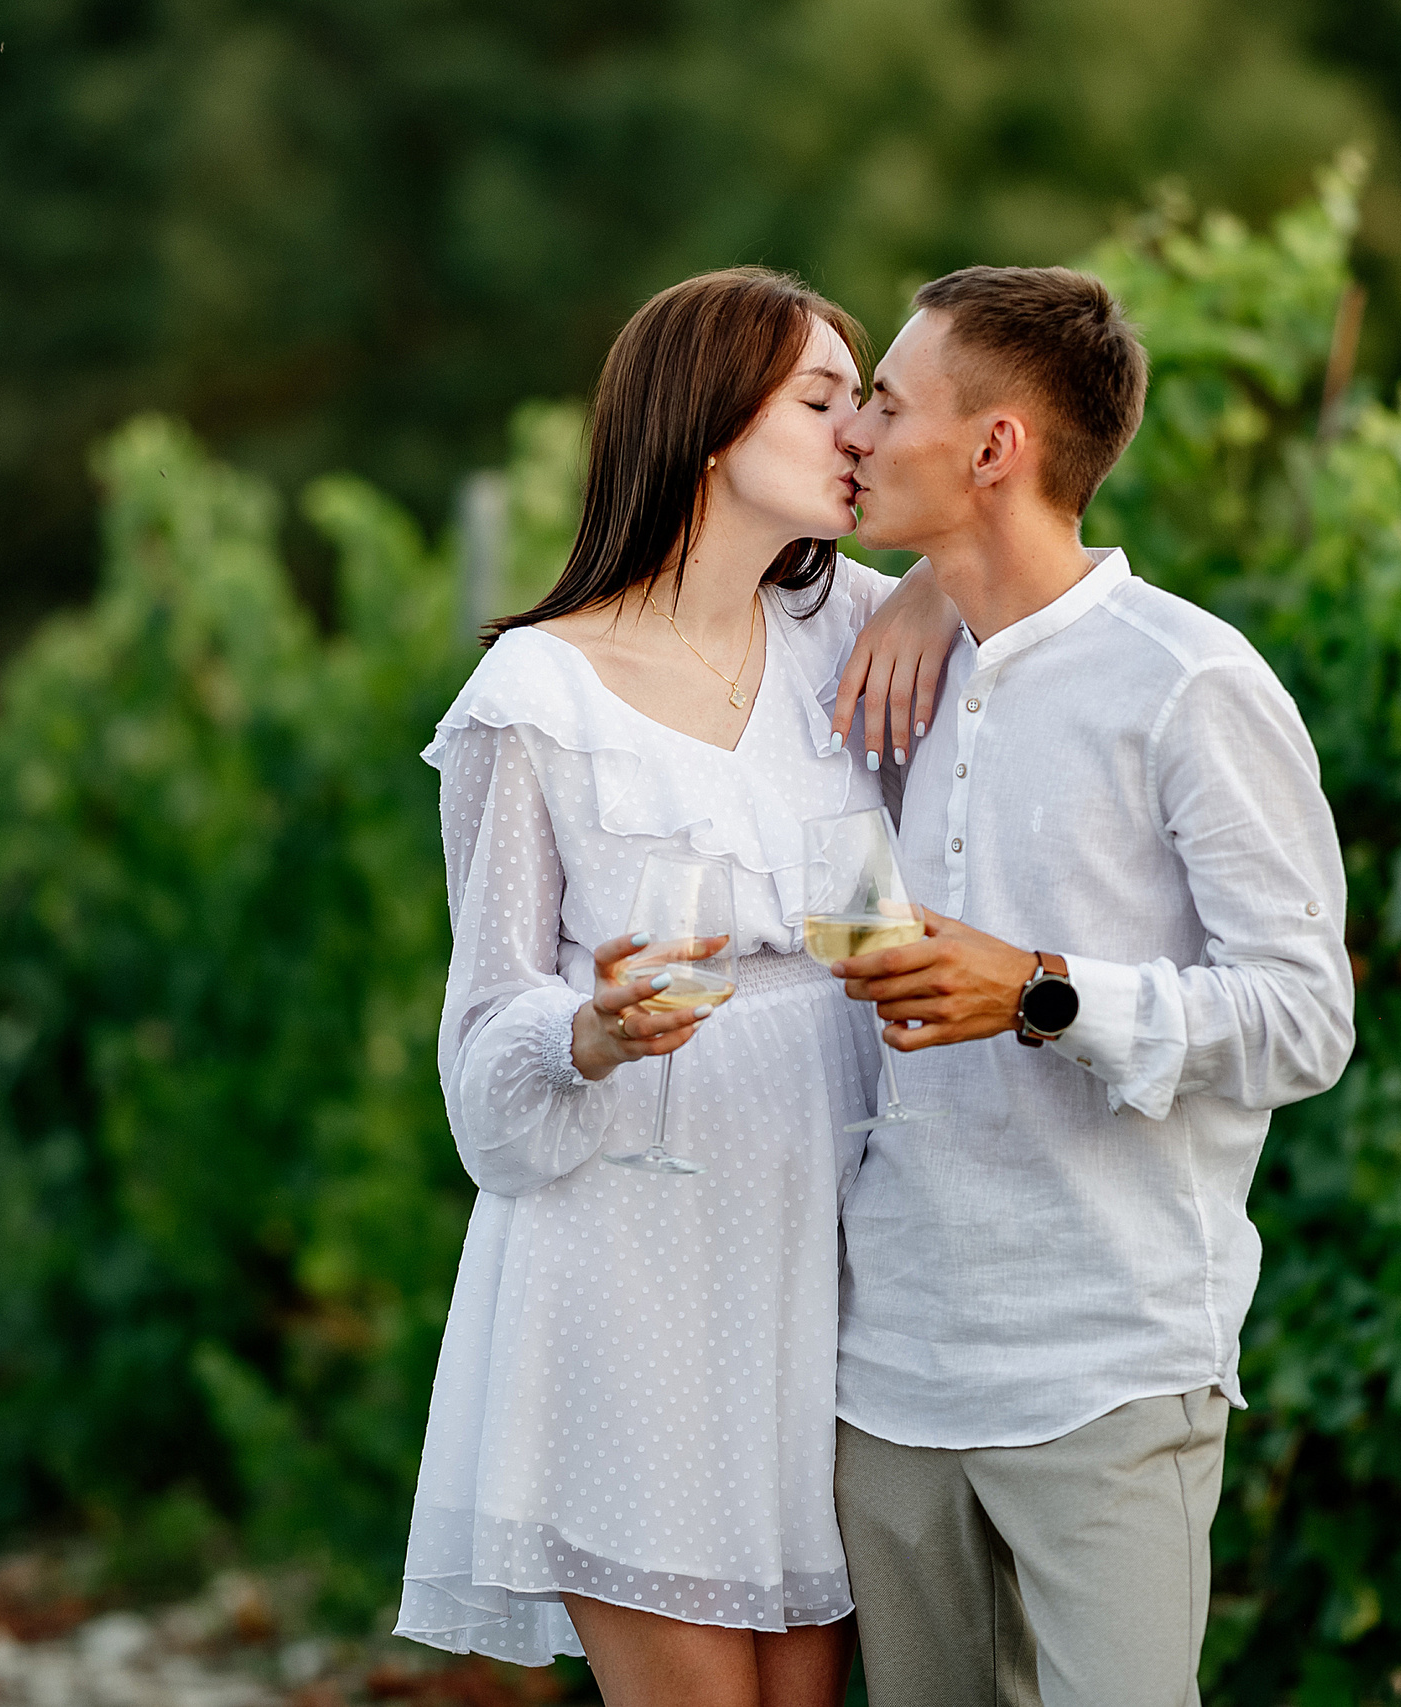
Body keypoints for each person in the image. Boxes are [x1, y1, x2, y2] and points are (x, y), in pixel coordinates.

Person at [394, 267, 955, 1707]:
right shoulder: (533, 697)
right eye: (821, 401)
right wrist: (587, 1032)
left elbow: (1041, 585)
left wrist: (934, 588)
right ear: (711, 427)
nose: (859, 434)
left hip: (832, 1248)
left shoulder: (851, 627)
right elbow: (483, 1039)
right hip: (634, 1250)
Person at [823, 266, 1356, 1707]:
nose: (855, 432)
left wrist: (1043, 993)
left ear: (995, 446)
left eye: (886, 404)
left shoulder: (1188, 682)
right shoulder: (878, 668)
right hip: (887, 1374)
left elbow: (1306, 1017)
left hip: (1106, 1367)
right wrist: (924, 589)